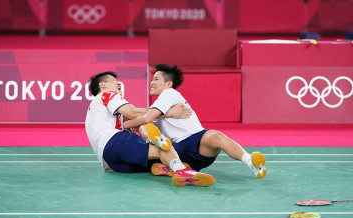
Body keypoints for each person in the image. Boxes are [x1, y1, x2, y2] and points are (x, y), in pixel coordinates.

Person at [123, 64, 267, 179]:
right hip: (185, 151)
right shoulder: (161, 105)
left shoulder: (169, 93)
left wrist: (125, 124)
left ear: (169, 84)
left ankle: (252, 161)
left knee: (215, 135)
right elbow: (148, 117)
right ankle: (175, 167)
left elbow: (147, 117)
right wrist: (165, 115)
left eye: (156, 79)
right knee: (216, 136)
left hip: (193, 140)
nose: (152, 82)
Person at [85, 71, 215, 187]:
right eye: (115, 82)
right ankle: (182, 171)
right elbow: (134, 112)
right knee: (165, 147)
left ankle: (163, 167)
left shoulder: (98, 110)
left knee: (152, 157)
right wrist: (168, 112)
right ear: (103, 85)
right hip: (114, 142)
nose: (119, 85)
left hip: (110, 162)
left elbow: (132, 123)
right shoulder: (107, 95)